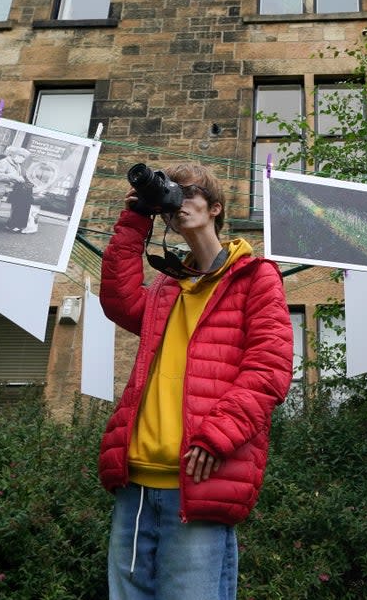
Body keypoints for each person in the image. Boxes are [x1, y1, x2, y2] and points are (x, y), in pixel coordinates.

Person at [98, 162, 294, 600]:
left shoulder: (255, 277)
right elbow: (117, 299)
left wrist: (217, 436)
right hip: (136, 483)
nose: (178, 201)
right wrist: (135, 220)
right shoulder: (168, 289)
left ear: (215, 208)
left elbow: (270, 368)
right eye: (171, 195)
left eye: (188, 193)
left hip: (198, 479)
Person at [0, 145, 33, 232]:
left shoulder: (17, 165)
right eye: (21, 156)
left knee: (18, 201)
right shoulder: (4, 162)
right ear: (15, 155)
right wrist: (12, 177)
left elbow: (16, 176)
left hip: (7, 188)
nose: (22, 159)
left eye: (24, 157)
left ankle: (12, 222)